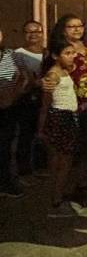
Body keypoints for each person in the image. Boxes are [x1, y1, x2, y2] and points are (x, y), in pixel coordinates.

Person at [45, 14, 87, 200]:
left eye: (80, 26)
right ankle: (65, 188)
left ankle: (84, 180)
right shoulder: (60, 51)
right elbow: (48, 77)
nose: (77, 29)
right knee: (70, 151)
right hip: (70, 106)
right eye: (71, 27)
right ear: (63, 30)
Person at [37, 38, 80, 217]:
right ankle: (56, 201)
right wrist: (41, 128)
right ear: (56, 56)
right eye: (67, 53)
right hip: (59, 118)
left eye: (73, 53)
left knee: (66, 161)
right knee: (61, 162)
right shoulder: (53, 74)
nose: (72, 57)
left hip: (69, 117)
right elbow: (46, 104)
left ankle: (60, 195)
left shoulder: (64, 71)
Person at [13, 20, 46, 178]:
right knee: (26, 134)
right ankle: (24, 170)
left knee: (44, 132)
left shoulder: (48, 53)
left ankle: (41, 166)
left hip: (46, 98)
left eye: (37, 31)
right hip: (27, 99)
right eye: (29, 31)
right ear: (24, 34)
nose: (33, 35)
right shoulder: (18, 54)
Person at [0, 27, 29, 198]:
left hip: (9, 107)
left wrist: (12, 96)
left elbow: (24, 78)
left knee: (5, 145)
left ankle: (5, 181)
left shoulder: (13, 55)